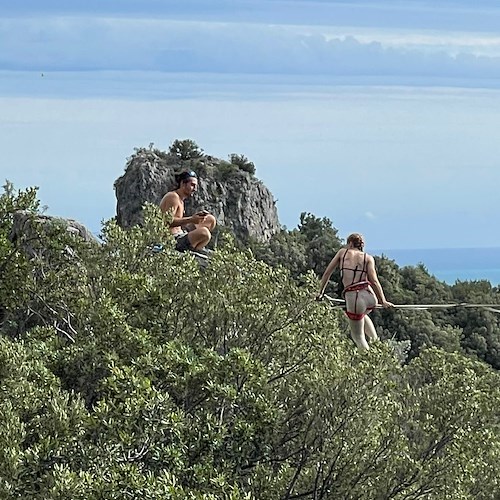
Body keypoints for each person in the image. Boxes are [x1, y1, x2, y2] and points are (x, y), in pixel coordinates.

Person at [317, 233, 393, 350]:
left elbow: (327, 273)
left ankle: (373, 363)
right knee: (362, 316)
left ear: (350, 243)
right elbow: (374, 281)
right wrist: (383, 301)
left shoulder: (343, 253)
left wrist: (320, 292)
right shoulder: (368, 258)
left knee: (358, 336)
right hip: (369, 296)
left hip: (355, 298)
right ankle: (377, 344)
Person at [159, 170, 216, 253]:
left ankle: (194, 248)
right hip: (171, 240)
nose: (195, 189)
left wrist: (196, 219)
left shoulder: (181, 200)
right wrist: (191, 220)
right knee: (204, 232)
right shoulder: (173, 197)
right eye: (192, 185)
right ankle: (194, 251)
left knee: (210, 220)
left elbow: (178, 223)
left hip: (180, 234)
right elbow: (167, 221)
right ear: (183, 184)